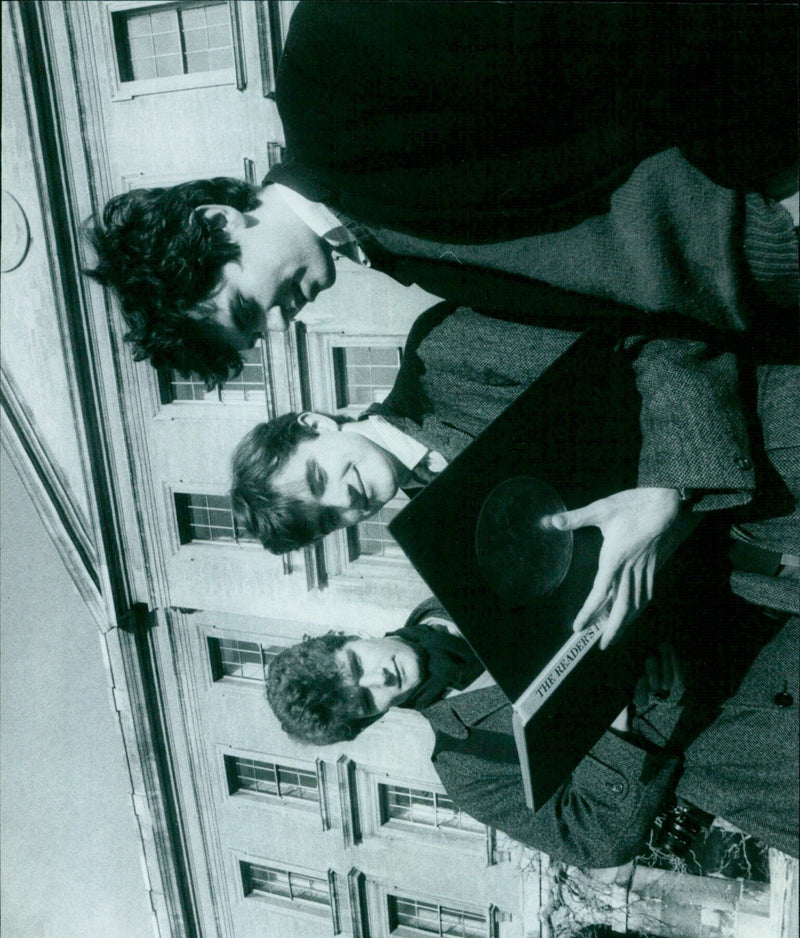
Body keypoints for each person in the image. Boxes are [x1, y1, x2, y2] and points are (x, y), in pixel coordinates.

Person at [85, 3, 798, 386]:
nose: (282, 323)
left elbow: (610, 23)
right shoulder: (396, 259)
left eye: (247, 307)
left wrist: (771, 166)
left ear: (219, 220)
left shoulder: (331, 64)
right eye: (256, 334)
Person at [231, 304, 792, 646]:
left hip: (778, 429)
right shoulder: (447, 538)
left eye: (318, 477)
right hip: (767, 546)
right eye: (330, 518)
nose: (345, 498)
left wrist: (669, 483)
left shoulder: (442, 349)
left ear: (314, 423)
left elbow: (646, 324)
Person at [265, 594, 798, 865]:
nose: (380, 676)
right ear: (373, 718)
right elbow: (591, 840)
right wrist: (613, 723)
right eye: (367, 697)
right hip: (754, 765)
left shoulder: (469, 575)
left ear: (349, 637)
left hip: (757, 642)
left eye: (357, 663)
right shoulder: (467, 767)